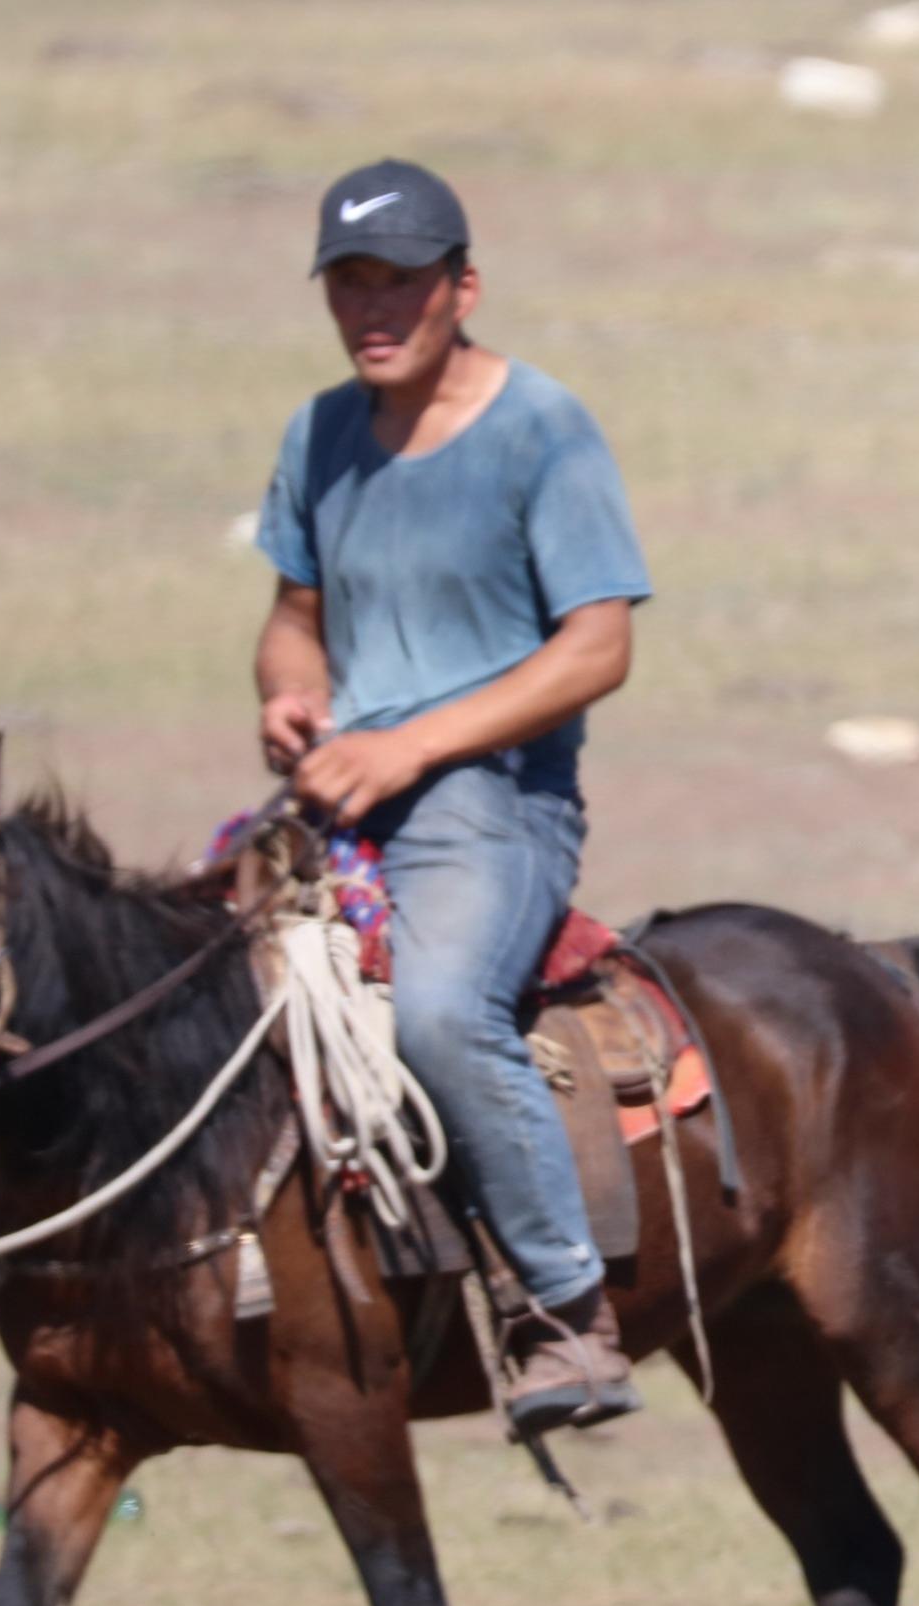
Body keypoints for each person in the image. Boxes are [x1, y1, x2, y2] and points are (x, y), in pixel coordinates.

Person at [253, 159, 660, 1436]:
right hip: (341, 803)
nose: (374, 309)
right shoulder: (319, 433)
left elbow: (597, 646)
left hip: (495, 804)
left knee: (436, 1009)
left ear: (462, 286)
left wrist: (409, 746)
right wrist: (292, 696)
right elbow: (291, 618)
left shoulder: (542, 427)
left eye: (401, 282)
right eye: (349, 283)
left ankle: (563, 1312)